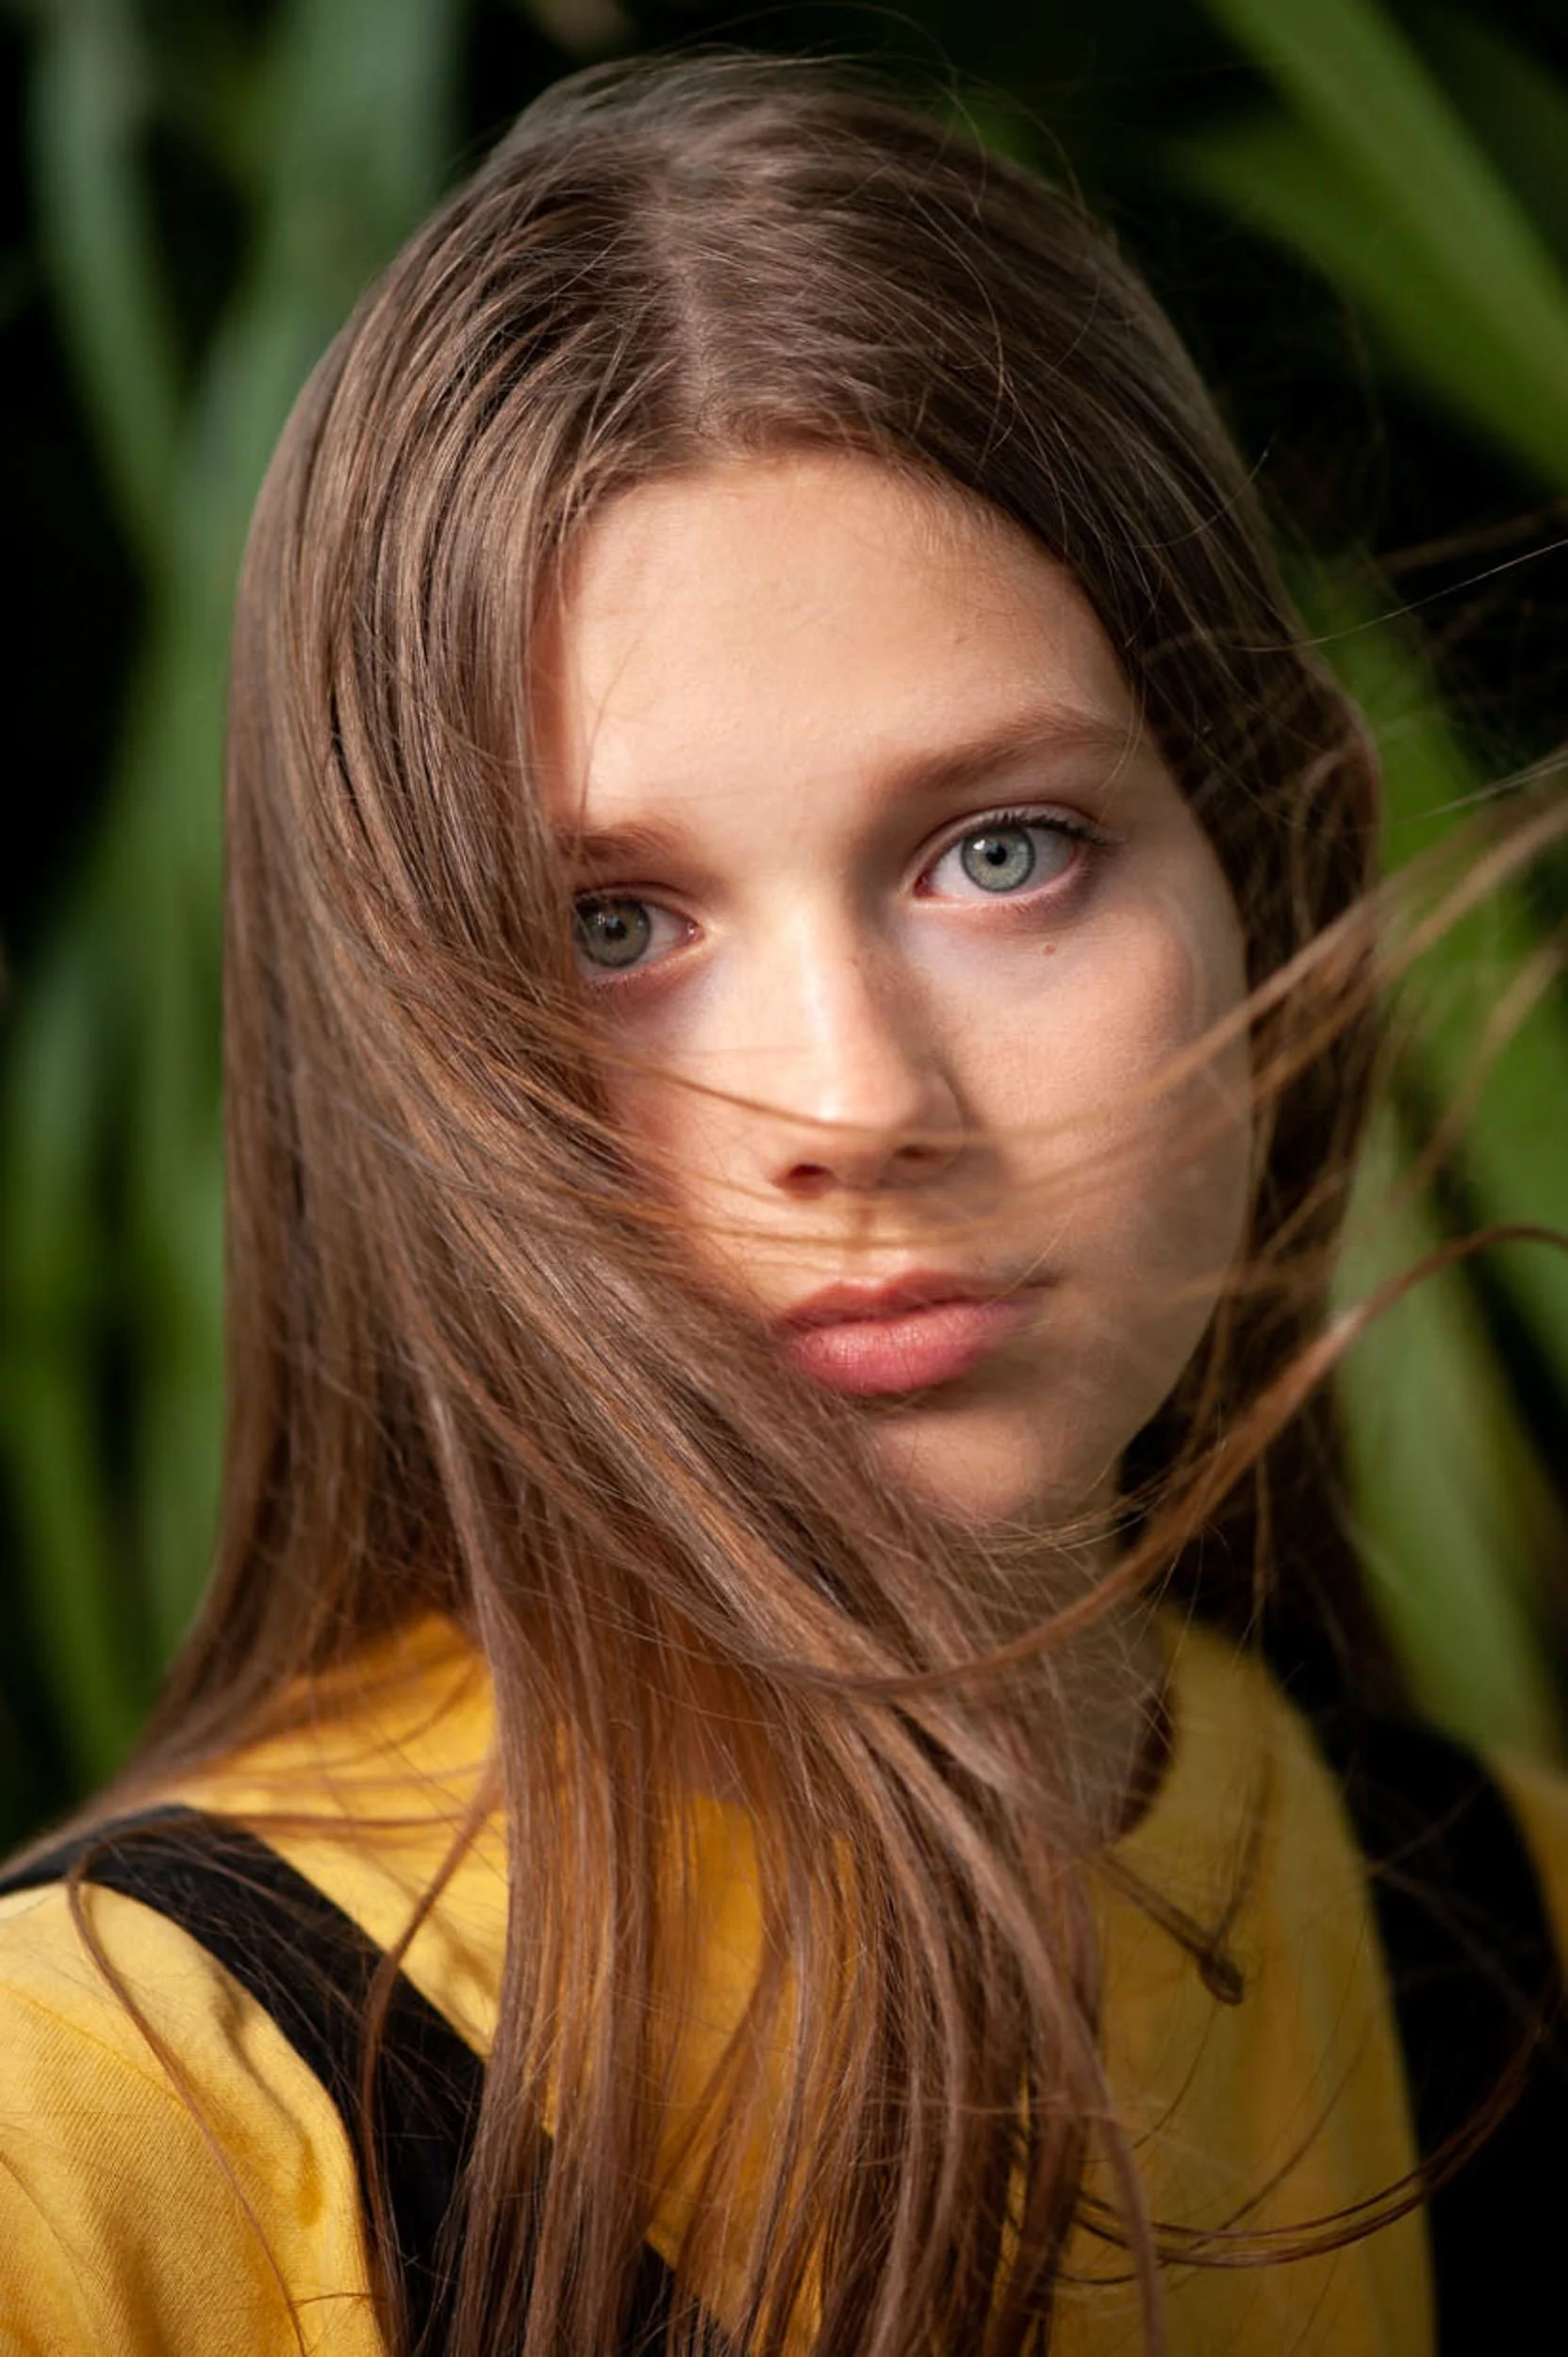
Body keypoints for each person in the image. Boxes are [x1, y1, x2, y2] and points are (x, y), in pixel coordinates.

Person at [0, 47, 1563, 2357]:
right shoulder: (99, 2108)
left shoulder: (1518, 1926)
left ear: (1270, 862)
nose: (852, 1101)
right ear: (390, 1046)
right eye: (610, 925)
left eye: (999, 854)